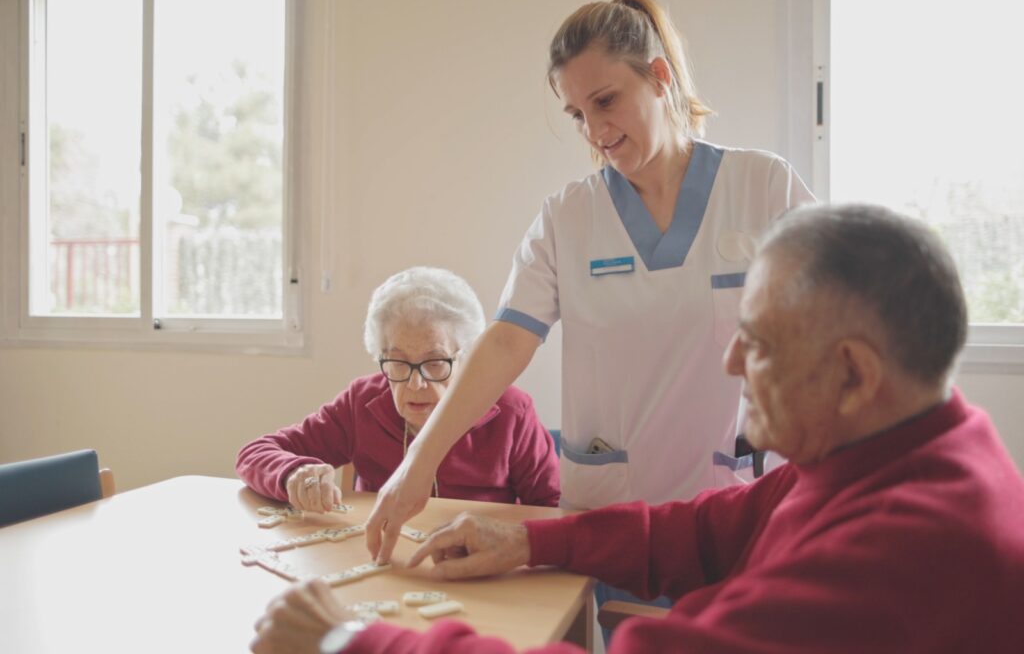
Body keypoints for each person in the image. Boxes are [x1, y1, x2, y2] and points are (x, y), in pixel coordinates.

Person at [250, 205, 1024, 653]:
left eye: (755, 341)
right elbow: (700, 531)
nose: (729, 362)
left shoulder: (909, 545)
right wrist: (529, 542)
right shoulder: (885, 454)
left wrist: (350, 641)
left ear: (854, 374)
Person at [367, 0, 815, 565]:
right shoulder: (568, 218)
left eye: (606, 101)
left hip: (736, 505)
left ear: (659, 77)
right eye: (578, 115)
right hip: (612, 510)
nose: (595, 130)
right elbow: (505, 342)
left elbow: (842, 319)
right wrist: (417, 463)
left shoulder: (764, 187)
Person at [236, 266, 560, 511]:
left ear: (466, 358)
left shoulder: (511, 410)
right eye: (398, 363)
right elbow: (254, 453)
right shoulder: (363, 401)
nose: (415, 383)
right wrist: (294, 474)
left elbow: (552, 508)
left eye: (435, 362)